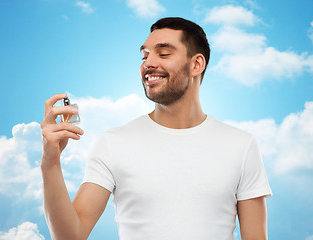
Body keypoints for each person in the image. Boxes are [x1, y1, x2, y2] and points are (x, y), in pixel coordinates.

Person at [41, 17, 272, 240]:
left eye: (163, 54)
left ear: (196, 64)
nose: (148, 63)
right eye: (145, 55)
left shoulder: (241, 146)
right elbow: (71, 236)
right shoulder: (114, 143)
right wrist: (50, 162)